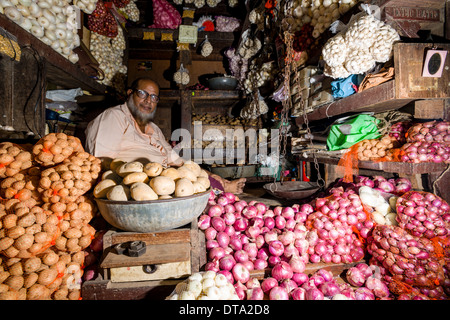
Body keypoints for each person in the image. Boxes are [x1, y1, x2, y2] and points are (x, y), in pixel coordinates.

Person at [85, 76, 246, 194]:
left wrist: (208, 173)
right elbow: (99, 163)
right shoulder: (113, 117)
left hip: (165, 178)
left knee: (204, 180)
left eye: (154, 97)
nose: (148, 100)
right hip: (136, 185)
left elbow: (174, 159)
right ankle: (223, 189)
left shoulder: (153, 128)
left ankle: (223, 186)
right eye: (142, 93)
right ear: (129, 93)